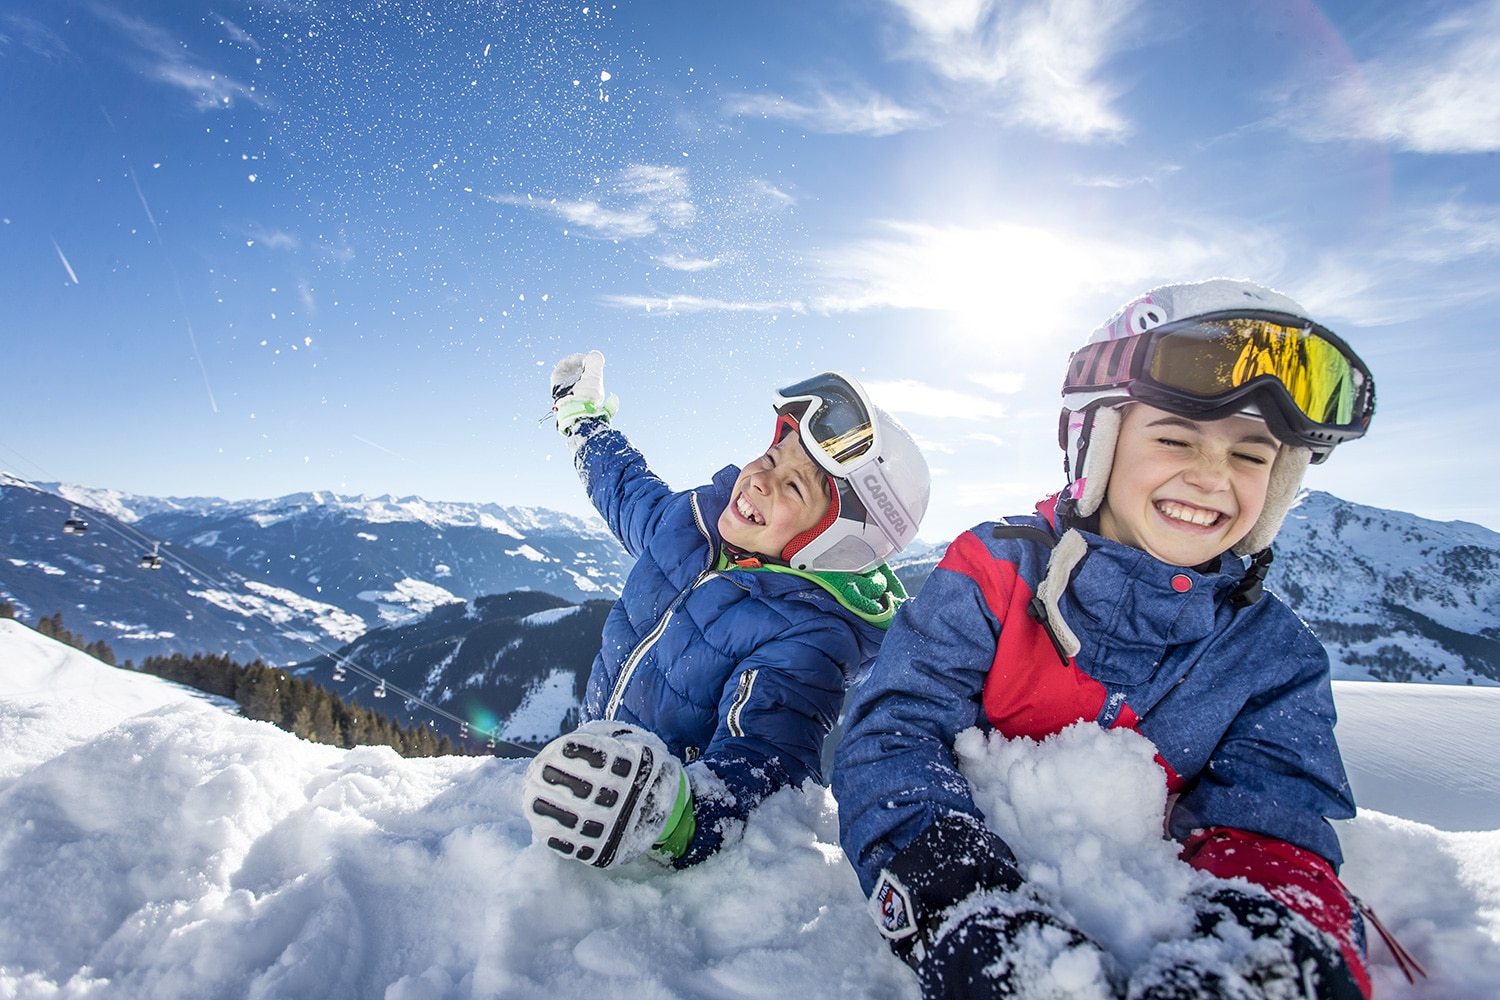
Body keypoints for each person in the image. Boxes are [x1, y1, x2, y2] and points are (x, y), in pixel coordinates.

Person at [832, 278, 1378, 1000]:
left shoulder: (1272, 657)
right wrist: (959, 903)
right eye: (1176, 437)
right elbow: (892, 734)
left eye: (1251, 456)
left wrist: (1264, 950)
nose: (1212, 475)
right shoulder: (995, 574)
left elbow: (1274, 821)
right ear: (1101, 445)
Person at [522, 352, 931, 871]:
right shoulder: (690, 526)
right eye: (774, 456)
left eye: (794, 487)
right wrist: (581, 419)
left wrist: (667, 813)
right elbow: (621, 487)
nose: (761, 478)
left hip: (640, 817)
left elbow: (764, 762)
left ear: (834, 544)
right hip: (593, 769)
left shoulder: (808, 636)